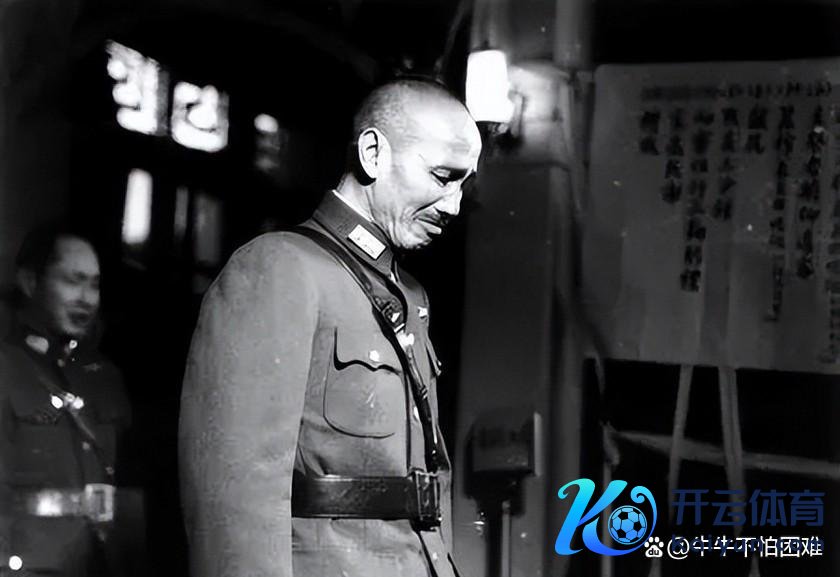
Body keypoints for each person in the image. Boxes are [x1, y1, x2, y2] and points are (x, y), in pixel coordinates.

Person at [178, 78, 482, 577]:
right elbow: (234, 498)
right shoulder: (280, 268)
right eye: (441, 177)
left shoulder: (408, 296)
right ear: (372, 154)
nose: (453, 205)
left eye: (464, 185)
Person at [0, 225, 133, 576]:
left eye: (94, 285)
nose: (86, 298)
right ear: (30, 282)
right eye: (73, 281)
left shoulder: (104, 378)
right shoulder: (6, 369)